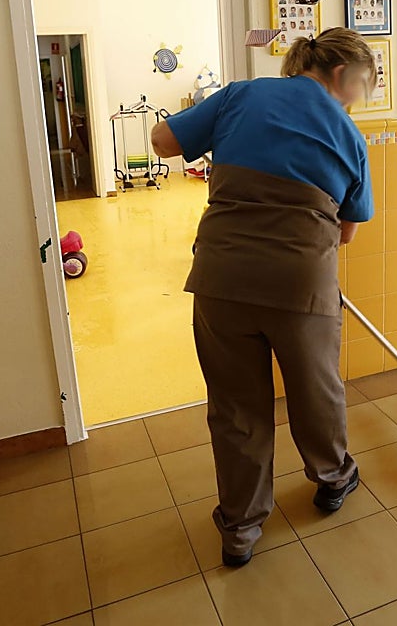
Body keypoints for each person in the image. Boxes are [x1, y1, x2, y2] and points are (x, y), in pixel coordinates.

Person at [150, 28, 375, 568]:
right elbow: (346, 232)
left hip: (222, 278)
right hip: (300, 285)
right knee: (315, 392)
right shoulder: (348, 133)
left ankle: (241, 528)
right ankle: (332, 478)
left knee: (235, 407)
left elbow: (162, 142)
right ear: (343, 76)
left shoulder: (239, 94)